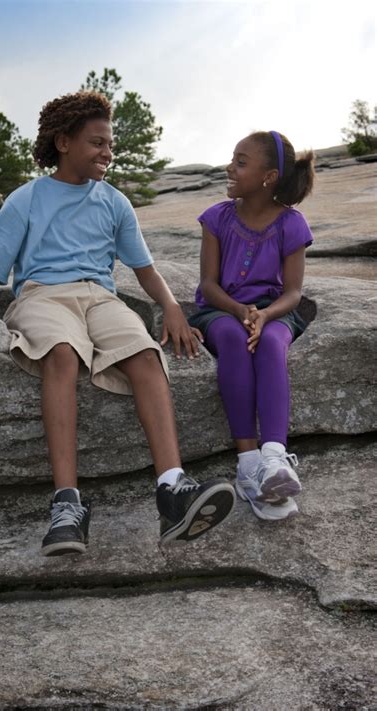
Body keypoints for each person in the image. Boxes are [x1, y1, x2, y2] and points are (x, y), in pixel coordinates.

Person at [0, 91, 235, 555]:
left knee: (144, 353)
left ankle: (173, 490)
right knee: (61, 353)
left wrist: (171, 306)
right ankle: (67, 505)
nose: (107, 153)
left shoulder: (114, 202)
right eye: (97, 143)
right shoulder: (28, 198)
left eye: (110, 144)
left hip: (100, 296)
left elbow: (143, 268)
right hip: (43, 295)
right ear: (63, 142)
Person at [189, 131, 315, 521]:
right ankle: (248, 465)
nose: (229, 167)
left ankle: (274, 460)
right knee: (232, 338)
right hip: (221, 309)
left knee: (271, 343)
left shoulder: (291, 224)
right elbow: (208, 285)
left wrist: (265, 315)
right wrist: (241, 312)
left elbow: (293, 292)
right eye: (232, 159)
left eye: (241, 162)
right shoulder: (217, 218)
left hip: (273, 310)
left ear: (269, 176)